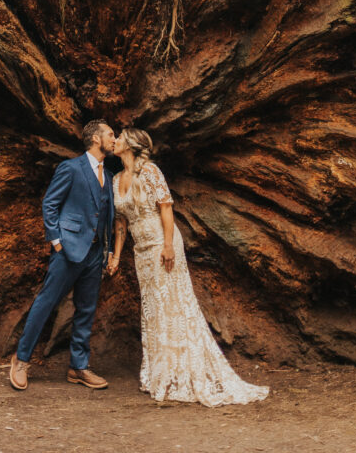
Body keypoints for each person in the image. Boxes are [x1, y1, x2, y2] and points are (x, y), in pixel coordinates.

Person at [109, 128, 269, 407]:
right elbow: (120, 223)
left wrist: (168, 245)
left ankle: (180, 371)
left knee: (173, 306)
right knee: (153, 309)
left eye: (120, 136)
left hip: (161, 243)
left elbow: (166, 207)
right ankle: (161, 373)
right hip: (140, 251)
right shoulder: (115, 179)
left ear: (132, 145)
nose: (116, 140)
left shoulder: (150, 172)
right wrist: (116, 255)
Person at [10, 120, 116, 391]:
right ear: (95, 139)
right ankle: (21, 360)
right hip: (68, 250)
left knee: (86, 309)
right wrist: (57, 242)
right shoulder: (70, 168)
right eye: (111, 135)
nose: (115, 140)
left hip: (95, 253)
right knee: (46, 303)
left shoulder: (109, 174)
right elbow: (50, 204)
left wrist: (108, 248)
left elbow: (106, 215)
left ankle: (78, 367)